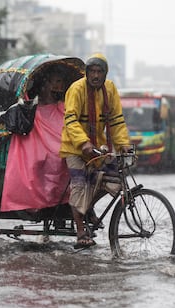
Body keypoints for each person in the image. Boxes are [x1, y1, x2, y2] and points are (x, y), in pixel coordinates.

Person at [60, 53, 130, 248]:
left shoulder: (110, 89)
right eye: (92, 71)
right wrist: (83, 143)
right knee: (80, 185)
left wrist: (123, 144)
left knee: (115, 180)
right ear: (87, 73)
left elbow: (116, 120)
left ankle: (88, 205)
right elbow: (70, 119)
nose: (96, 76)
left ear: (105, 74)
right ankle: (81, 231)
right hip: (74, 146)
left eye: (100, 72)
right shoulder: (77, 89)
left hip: (98, 146)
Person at [1, 66, 71, 212]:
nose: (59, 86)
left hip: (62, 145)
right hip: (37, 145)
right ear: (45, 84)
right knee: (45, 159)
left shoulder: (64, 107)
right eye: (56, 82)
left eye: (61, 82)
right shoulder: (30, 110)